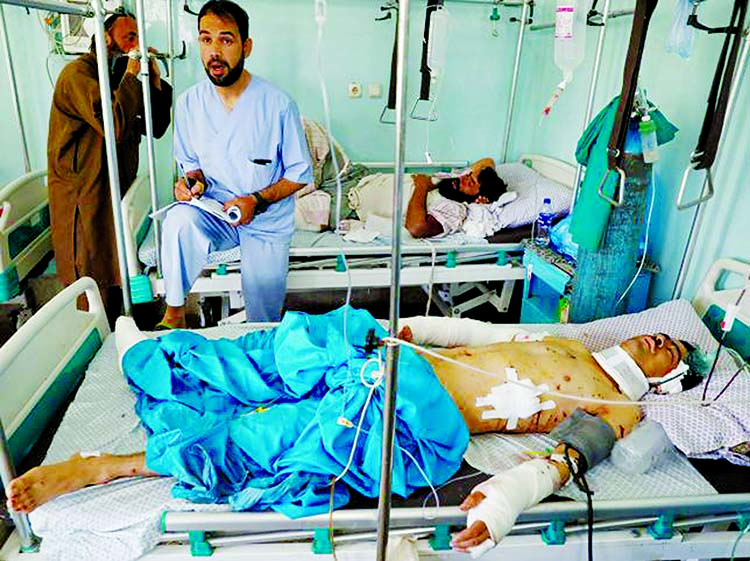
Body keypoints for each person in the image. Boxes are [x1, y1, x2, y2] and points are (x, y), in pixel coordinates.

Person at [6, 311, 705, 554]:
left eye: (673, 351)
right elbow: (483, 334)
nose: (659, 339)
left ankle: (114, 466)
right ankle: (155, 354)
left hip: (414, 412)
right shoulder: (574, 343)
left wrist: (509, 496)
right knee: (276, 354)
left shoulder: (621, 409)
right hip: (400, 358)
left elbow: (564, 461)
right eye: (661, 334)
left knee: (283, 432)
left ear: (666, 380)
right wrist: (413, 330)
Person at [157, 0, 313, 329]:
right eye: (206, 39)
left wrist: (255, 201)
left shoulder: (277, 104)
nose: (214, 51)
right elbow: (191, 165)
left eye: (226, 40)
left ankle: (261, 353)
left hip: (265, 221)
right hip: (215, 213)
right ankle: (174, 313)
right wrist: (191, 183)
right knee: (177, 220)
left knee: (263, 319)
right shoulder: (188, 104)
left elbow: (299, 174)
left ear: (246, 46)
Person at [48, 10, 172, 323]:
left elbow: (155, 126)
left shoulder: (117, 79)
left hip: (112, 191)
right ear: (105, 39)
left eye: (139, 38)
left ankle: (120, 333)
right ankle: (88, 350)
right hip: (84, 196)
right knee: (92, 276)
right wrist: (132, 73)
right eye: (130, 38)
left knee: (114, 270)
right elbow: (114, 123)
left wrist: (153, 80)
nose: (137, 46)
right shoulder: (77, 76)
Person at [405, 157, 507, 238]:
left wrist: (421, 186)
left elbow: (417, 228)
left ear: (479, 198)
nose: (462, 178)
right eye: (468, 175)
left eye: (471, 183)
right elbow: (488, 161)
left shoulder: (455, 209)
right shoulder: (451, 184)